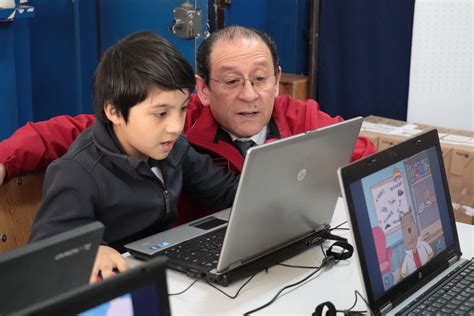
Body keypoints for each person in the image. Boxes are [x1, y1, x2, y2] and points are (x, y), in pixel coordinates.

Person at [0, 26, 376, 220]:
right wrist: (6, 156)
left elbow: (366, 159)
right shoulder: (179, 121)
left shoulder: (302, 116)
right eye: (231, 81)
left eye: (261, 79)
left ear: (277, 80)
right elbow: (80, 129)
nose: (249, 95)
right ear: (204, 88)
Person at [27, 31, 239, 282]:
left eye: (182, 109)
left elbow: (225, 190)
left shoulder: (174, 149)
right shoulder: (78, 172)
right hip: (117, 287)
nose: (175, 126)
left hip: (163, 270)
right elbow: (49, 245)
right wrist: (92, 250)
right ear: (114, 112)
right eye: (161, 114)